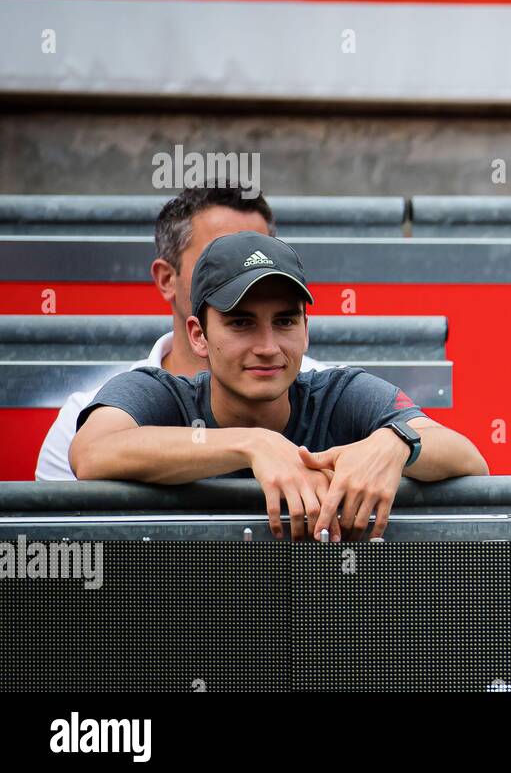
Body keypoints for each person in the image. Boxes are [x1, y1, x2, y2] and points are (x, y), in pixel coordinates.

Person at [68, 231, 489, 541]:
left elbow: (469, 458)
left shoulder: (341, 392)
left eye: (285, 321)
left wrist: (395, 443)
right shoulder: (160, 392)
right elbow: (91, 452)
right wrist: (253, 444)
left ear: (306, 330)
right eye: (241, 322)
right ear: (198, 335)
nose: (268, 347)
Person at [36, 186, 331, 480]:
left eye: (259, 256)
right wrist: (252, 443)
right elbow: (66, 517)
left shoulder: (329, 391)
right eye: (217, 257)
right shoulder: (86, 413)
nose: (241, 272)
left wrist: (377, 446)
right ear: (166, 279)